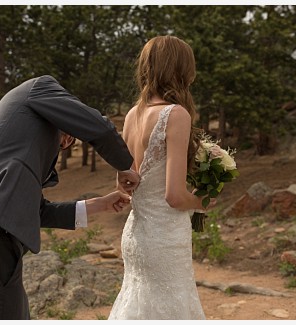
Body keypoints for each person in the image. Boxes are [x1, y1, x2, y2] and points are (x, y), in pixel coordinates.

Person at [0, 75, 141, 319]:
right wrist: (125, 166)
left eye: (70, 142)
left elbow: (37, 210)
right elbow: (97, 126)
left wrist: (100, 204)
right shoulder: (39, 87)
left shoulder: (11, 144)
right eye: (69, 136)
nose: (66, 142)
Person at [107, 35, 209, 320]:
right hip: (164, 236)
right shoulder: (175, 114)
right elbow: (174, 196)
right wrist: (203, 200)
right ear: (180, 69)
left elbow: (125, 185)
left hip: (136, 235)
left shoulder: (131, 116)